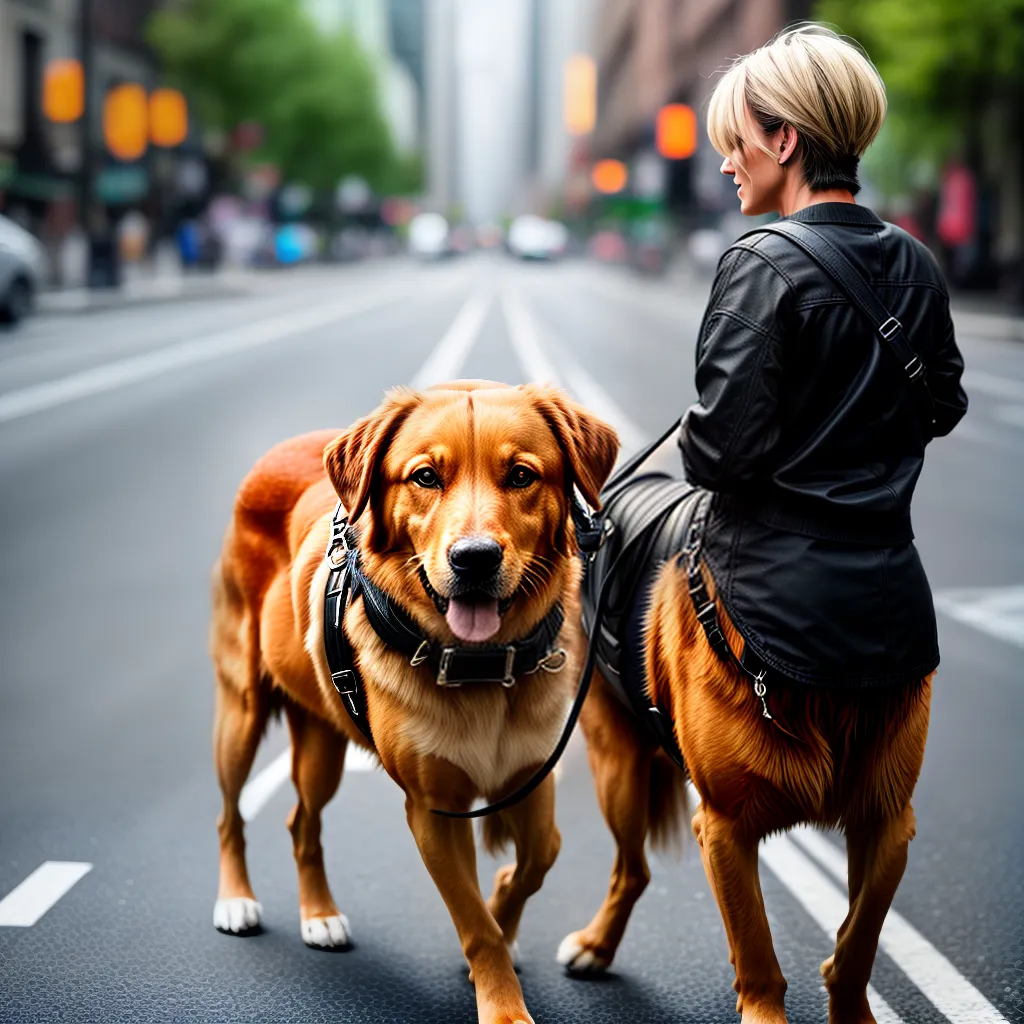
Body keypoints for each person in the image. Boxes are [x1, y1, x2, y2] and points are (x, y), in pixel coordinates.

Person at [680, 24, 968, 694]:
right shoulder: (917, 263)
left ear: (783, 141)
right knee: (885, 807)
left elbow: (716, 455)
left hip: (769, 615)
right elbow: (945, 405)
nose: (727, 163)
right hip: (895, 611)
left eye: (735, 142)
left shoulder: (761, 261)